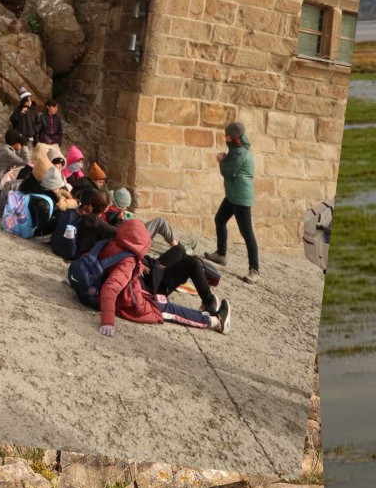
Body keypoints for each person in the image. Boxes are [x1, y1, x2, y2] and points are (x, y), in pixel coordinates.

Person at [92, 218, 228, 336]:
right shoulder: (127, 262)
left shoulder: (115, 245)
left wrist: (141, 265)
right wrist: (108, 321)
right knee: (173, 311)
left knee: (185, 256)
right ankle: (215, 321)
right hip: (140, 300)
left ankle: (209, 304)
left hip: (141, 284)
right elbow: (110, 288)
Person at [203, 121, 260, 279]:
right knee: (220, 219)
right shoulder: (236, 149)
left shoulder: (241, 152)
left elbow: (229, 171)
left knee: (247, 233)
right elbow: (232, 157)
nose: (225, 138)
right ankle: (221, 255)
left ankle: (254, 270)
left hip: (241, 198)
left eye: (227, 135)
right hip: (232, 196)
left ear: (234, 137)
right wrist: (226, 156)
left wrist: (221, 160)